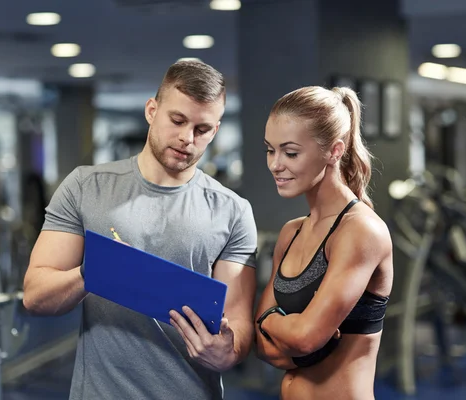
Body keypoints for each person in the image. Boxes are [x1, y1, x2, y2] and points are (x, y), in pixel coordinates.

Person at [22, 60, 258, 400]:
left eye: (202, 129)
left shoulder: (232, 211)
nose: (186, 138)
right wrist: (94, 272)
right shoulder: (85, 186)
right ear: (152, 110)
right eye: (177, 120)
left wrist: (229, 350)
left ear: (215, 131)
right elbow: (35, 295)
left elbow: (238, 320)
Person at [254, 86, 393, 399]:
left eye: (290, 152)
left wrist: (272, 321)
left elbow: (304, 338)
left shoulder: (360, 231)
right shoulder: (291, 234)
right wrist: (284, 329)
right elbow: (263, 347)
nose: (276, 164)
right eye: (269, 150)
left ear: (334, 151)